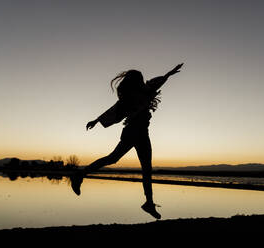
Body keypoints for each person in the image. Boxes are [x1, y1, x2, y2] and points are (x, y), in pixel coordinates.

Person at [71, 63, 183, 219]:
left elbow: (158, 82)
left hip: (143, 133)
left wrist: (169, 73)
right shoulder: (129, 97)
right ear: (135, 80)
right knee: (114, 158)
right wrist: (97, 120)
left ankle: (149, 203)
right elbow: (114, 110)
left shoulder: (145, 91)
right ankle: (80, 175)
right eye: (140, 78)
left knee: (146, 168)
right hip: (132, 132)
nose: (143, 81)